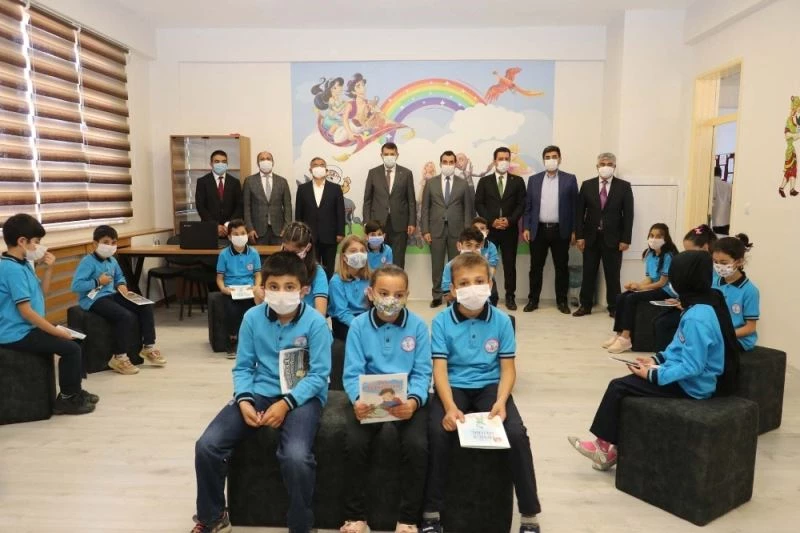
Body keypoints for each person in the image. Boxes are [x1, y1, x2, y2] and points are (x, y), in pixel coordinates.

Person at [192, 252, 332, 533]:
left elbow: (319, 375)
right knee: (207, 445)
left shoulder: (316, 323)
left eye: (290, 287)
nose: (281, 293)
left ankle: (301, 524)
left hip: (304, 396)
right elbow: (243, 367)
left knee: (295, 456)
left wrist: (286, 404)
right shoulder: (252, 318)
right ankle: (212, 516)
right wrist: (244, 399)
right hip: (260, 391)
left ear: (303, 290)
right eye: (274, 286)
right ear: (263, 288)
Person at [568, 251, 740, 471]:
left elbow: (693, 366)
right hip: (683, 376)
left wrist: (653, 374)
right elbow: (678, 346)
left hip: (692, 386)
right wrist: (655, 359)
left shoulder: (697, 317)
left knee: (618, 387)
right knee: (627, 384)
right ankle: (611, 448)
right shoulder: (698, 308)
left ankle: (603, 449)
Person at [423, 253, 542, 533]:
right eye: (464, 283)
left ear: (490, 284)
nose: (472, 288)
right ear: (453, 290)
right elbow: (440, 370)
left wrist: (501, 401)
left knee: (516, 434)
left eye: (479, 281)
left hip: (490, 387)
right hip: (454, 387)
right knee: (437, 433)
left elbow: (508, 369)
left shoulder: (502, 321)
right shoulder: (441, 322)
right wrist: (449, 406)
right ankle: (431, 512)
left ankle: (529, 514)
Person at [340, 265, 432, 533]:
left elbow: (422, 372)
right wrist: (358, 399)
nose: (391, 300)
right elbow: (351, 372)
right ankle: (355, 517)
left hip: (406, 402)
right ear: (370, 293)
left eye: (398, 294)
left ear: (407, 296)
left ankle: (408, 519)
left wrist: (413, 401)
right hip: (369, 401)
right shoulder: (358, 326)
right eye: (383, 293)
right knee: (354, 443)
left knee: (417, 446)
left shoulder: (418, 326)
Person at [0, 213, 97, 415]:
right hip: (16, 333)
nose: (39, 246)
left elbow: (42, 294)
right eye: (36, 242)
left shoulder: (22, 264)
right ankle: (67, 399)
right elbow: (26, 312)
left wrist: (49, 269)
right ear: (22, 241)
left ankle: (74, 390)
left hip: (27, 328)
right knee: (71, 349)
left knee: (77, 339)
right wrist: (56, 331)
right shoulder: (11, 269)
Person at [71, 225, 166, 375]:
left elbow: (119, 277)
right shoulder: (87, 262)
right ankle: (119, 357)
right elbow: (76, 285)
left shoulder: (112, 261)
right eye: (106, 242)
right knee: (124, 316)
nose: (110, 246)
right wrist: (97, 281)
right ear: (95, 244)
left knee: (145, 306)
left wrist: (121, 285)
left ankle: (148, 347)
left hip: (113, 295)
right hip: (94, 299)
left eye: (113, 242)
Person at [603, 223, 679, 354]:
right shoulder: (650, 254)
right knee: (622, 296)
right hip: (655, 287)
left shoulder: (668, 256)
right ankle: (619, 333)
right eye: (652, 235)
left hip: (666, 290)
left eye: (658, 236)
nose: (654, 239)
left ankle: (626, 338)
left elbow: (661, 283)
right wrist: (636, 286)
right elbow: (649, 278)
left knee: (632, 298)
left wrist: (641, 288)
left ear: (666, 238)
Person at [574, 152, 634, 317]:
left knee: (613, 275)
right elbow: (579, 213)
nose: (605, 167)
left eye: (609, 164)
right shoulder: (587, 185)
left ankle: (614, 307)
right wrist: (579, 236)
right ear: (597, 166)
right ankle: (585, 305)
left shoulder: (624, 186)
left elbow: (629, 215)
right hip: (590, 238)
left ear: (614, 167)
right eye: (602, 164)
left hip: (614, 239)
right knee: (588, 273)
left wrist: (626, 239)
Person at [522, 145, 579, 314]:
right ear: (543, 160)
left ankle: (562, 301)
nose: (551, 160)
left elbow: (575, 207)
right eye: (547, 157)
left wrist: (575, 231)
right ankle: (533, 300)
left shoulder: (570, 179)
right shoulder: (534, 180)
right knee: (535, 267)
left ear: (560, 159)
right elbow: (528, 206)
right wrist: (526, 227)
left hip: (561, 230)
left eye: (554, 156)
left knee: (561, 267)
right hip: (538, 230)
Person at [475, 147, 526, 310]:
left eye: (506, 158)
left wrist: (509, 220)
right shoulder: (484, 181)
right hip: (490, 231)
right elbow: (479, 204)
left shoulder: (518, 181)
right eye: (500, 158)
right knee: (486, 264)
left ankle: (510, 296)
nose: (504, 161)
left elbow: (521, 204)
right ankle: (487, 295)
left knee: (510, 265)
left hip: (510, 230)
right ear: (494, 161)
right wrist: (492, 221)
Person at [652, 225, 718, 352]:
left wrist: (687, 304)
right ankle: (664, 357)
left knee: (664, 324)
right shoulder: (697, 267)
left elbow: (709, 300)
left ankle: (671, 357)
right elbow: (694, 291)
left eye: (690, 251)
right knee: (659, 320)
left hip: (700, 313)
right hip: (691, 306)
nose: (687, 255)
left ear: (705, 248)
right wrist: (680, 300)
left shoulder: (714, 271)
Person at [421, 150, 474, 308]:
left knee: (456, 265)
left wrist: (466, 234)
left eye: (451, 162)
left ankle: (454, 295)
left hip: (457, 231)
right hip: (435, 230)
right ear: (440, 163)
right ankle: (437, 295)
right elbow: (425, 208)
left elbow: (468, 209)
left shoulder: (462, 183)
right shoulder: (431, 183)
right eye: (445, 162)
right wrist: (425, 230)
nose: (448, 165)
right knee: (437, 265)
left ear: (455, 164)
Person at [252, 221, 329, 317]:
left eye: (295, 252)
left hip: (305, 320)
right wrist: (258, 294)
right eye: (286, 250)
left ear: (308, 247)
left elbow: (320, 312)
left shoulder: (317, 272)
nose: (290, 257)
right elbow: (260, 304)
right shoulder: (274, 266)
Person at [362, 142, 416, 268]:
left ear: (397, 155)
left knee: (398, 260)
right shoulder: (373, 173)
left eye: (392, 154)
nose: (389, 156)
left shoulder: (406, 173)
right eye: (386, 154)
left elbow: (411, 200)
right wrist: (366, 223)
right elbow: (367, 200)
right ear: (381, 155)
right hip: (377, 225)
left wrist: (412, 222)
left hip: (400, 224)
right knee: (377, 259)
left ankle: (397, 280)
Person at [216, 219, 262, 358]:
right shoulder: (224, 254)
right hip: (232, 290)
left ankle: (254, 342)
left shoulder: (253, 253)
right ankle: (233, 339)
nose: (240, 236)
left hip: (249, 289)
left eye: (243, 233)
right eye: (236, 234)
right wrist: (223, 289)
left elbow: (258, 275)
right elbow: (219, 278)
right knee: (232, 310)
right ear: (229, 237)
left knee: (254, 310)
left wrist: (256, 287)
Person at [295, 157, 345, 278]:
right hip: (309, 237)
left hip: (330, 236)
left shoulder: (335, 188)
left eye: (322, 165)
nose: (319, 167)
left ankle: (328, 290)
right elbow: (298, 213)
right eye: (315, 165)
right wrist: (300, 234)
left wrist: (340, 232)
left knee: (329, 269)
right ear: (310, 169)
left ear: (326, 170)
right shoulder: (302, 189)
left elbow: (340, 212)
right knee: (310, 268)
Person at [712, 235, 759, 351]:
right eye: (715, 262)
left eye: (724, 262)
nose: (718, 266)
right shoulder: (713, 282)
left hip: (738, 340)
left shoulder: (750, 291)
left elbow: (750, 327)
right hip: (716, 335)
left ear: (739, 262)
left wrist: (724, 335)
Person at [242, 151, 292, 245]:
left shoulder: (282, 181)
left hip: (279, 231)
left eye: (268, 159)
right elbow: (246, 207)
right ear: (258, 163)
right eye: (262, 159)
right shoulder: (249, 181)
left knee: (279, 254)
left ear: (273, 162)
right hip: (257, 231)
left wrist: (286, 228)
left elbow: (288, 207)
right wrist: (250, 229)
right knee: (258, 254)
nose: (265, 161)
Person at [328, 235, 370, 340]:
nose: (359, 254)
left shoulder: (370, 278)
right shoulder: (336, 281)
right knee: (360, 338)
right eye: (353, 251)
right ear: (344, 257)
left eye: (362, 251)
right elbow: (342, 313)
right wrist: (360, 326)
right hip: (343, 321)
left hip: (364, 318)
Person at [195, 150, 243, 238]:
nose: (220, 164)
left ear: (227, 164)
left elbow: (239, 206)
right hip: (209, 229)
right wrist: (215, 225)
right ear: (211, 163)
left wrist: (228, 224)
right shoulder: (202, 182)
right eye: (217, 161)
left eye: (223, 162)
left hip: (231, 229)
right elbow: (200, 206)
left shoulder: (235, 182)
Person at [440, 227, 485, 305]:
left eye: (477, 246)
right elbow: (447, 296)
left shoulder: (484, 266)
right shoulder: (450, 266)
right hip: (456, 306)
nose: (473, 250)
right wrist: (465, 293)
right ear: (459, 246)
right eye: (468, 245)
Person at [472, 216, 499, 306]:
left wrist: (480, 258)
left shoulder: (491, 247)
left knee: (493, 296)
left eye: (482, 228)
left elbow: (492, 270)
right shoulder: (467, 246)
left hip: (487, 277)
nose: (479, 231)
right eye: (476, 229)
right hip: (469, 277)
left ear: (487, 232)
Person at [711, 166, 732, 235]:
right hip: (726, 220)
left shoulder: (710, 184)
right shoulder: (728, 185)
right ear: (721, 174)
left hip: (714, 221)